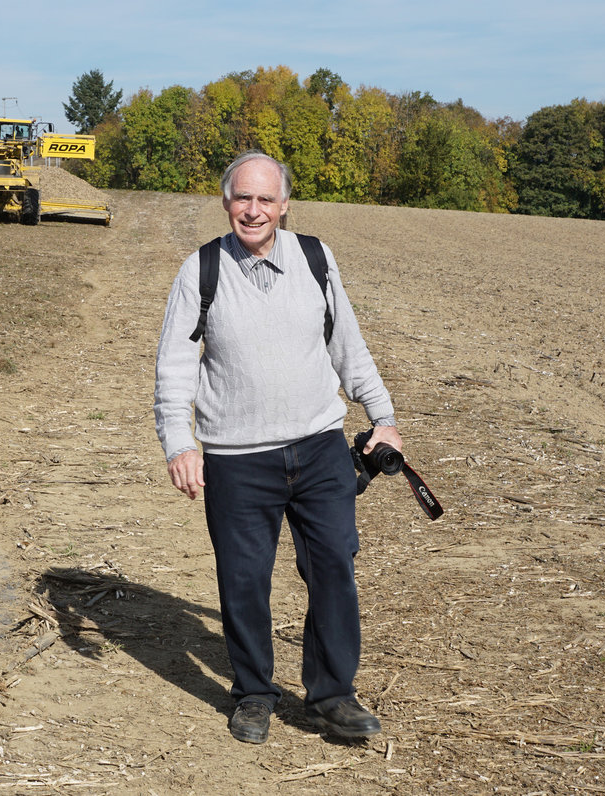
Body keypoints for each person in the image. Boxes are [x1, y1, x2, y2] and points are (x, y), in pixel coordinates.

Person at [153, 151, 403, 745]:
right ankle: (254, 694)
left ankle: (334, 695)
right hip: (237, 458)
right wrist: (178, 442)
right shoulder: (202, 270)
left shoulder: (315, 258)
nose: (254, 209)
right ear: (226, 202)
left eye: (266, 199)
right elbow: (174, 367)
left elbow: (349, 346)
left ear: (285, 204)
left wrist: (384, 417)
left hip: (319, 448)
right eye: (243, 198)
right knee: (243, 579)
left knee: (334, 568)